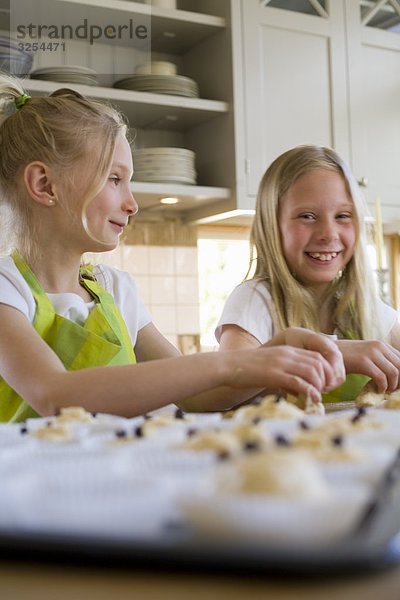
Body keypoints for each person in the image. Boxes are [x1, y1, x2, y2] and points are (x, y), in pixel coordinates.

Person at [0, 78, 346, 422]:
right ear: (44, 185)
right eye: (114, 179)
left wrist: (280, 350)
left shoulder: (115, 291)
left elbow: (198, 396)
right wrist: (233, 362)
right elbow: (56, 395)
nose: (133, 204)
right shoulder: (8, 291)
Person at [216, 145, 400, 403]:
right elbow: (224, 385)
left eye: (343, 216)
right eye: (307, 216)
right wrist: (333, 353)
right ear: (272, 225)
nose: (329, 233)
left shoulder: (361, 308)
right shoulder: (255, 300)